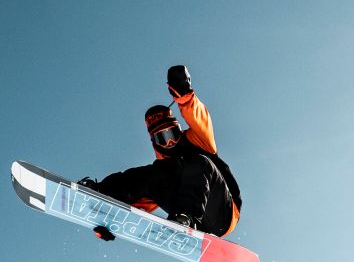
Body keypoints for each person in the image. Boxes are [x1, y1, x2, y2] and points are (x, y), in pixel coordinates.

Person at [82, 65, 241, 242]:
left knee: (199, 162)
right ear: (154, 142)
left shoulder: (199, 139)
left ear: (178, 129)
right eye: (161, 138)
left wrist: (184, 92)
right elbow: (144, 198)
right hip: (182, 214)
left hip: (221, 212)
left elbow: (196, 113)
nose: (169, 142)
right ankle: (102, 192)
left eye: (171, 134)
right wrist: (110, 220)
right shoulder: (164, 168)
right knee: (151, 175)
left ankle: (186, 219)